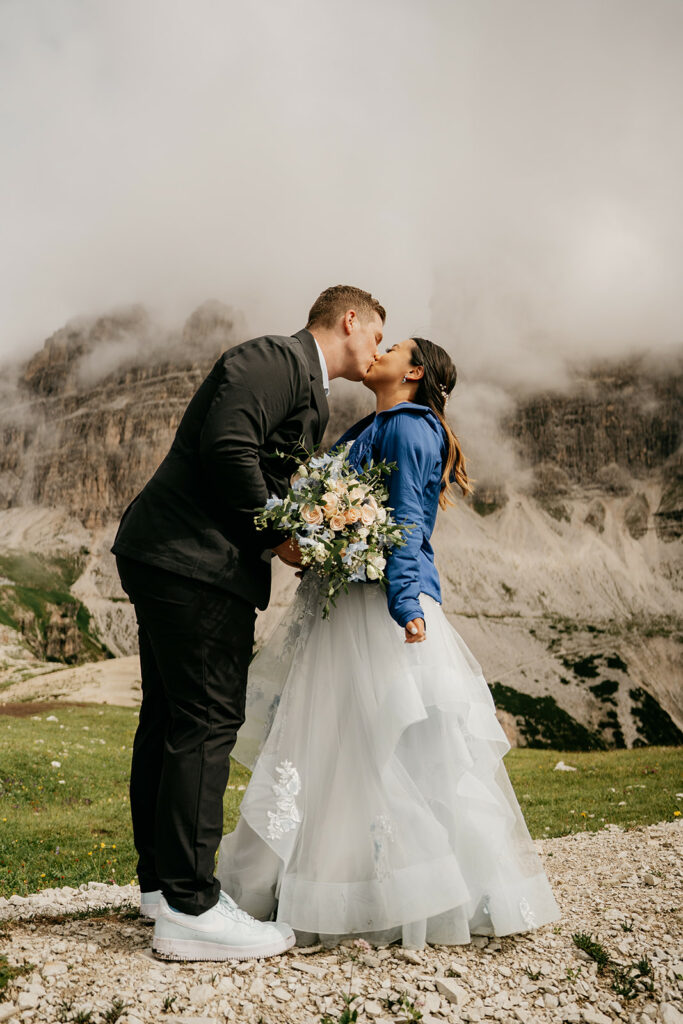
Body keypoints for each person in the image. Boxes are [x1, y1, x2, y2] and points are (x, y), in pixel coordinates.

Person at [217, 336, 561, 948]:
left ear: (415, 371)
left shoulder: (407, 428)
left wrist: (405, 605)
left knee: (375, 748)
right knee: (342, 745)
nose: (378, 351)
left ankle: (395, 892)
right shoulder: (373, 427)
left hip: (379, 605)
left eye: (393, 346)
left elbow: (403, 523)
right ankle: (346, 885)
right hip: (349, 598)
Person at [112, 284, 386, 961]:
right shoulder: (274, 359)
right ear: (350, 320)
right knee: (206, 719)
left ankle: (161, 887)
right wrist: (283, 536)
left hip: (172, 556)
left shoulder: (301, 383)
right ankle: (192, 908)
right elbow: (229, 450)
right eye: (378, 335)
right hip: (192, 561)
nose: (378, 350)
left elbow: (259, 465)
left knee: (172, 718)